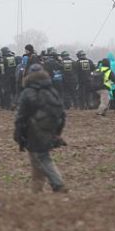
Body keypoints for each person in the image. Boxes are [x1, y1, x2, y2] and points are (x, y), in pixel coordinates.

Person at [13, 63, 68, 194]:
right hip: (50, 128)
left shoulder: (27, 92)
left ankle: (58, 184)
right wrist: (57, 133)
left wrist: (18, 133)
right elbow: (62, 113)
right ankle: (37, 191)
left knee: (41, 157)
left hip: (34, 130)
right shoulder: (52, 90)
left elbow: (21, 116)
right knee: (38, 158)